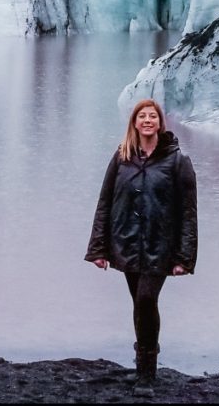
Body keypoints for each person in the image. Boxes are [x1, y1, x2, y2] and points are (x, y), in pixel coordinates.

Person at [85, 98, 198, 397]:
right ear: (134, 122)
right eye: (142, 116)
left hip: (161, 246)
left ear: (160, 123)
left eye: (152, 116)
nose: (147, 120)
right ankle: (143, 361)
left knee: (146, 300)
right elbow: (105, 203)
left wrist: (185, 257)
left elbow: (188, 212)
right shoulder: (122, 157)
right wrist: (98, 248)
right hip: (126, 242)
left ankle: (147, 372)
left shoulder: (177, 161)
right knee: (140, 303)